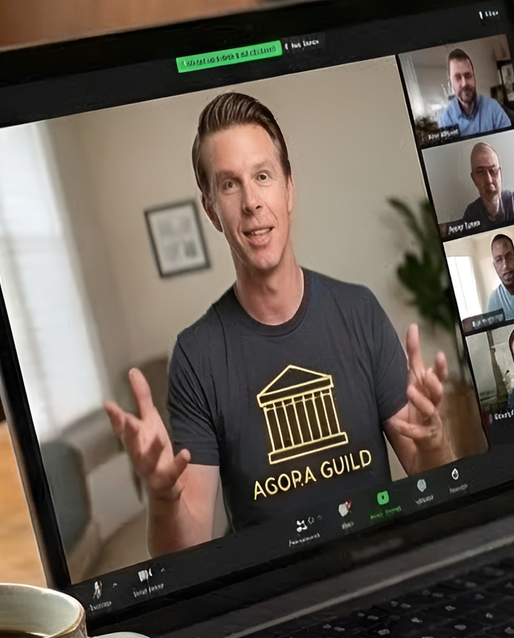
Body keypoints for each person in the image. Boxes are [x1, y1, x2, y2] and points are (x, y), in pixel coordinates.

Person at [105, 89, 451, 550]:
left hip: (381, 566)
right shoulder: (197, 356)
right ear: (211, 211)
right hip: (272, 597)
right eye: (229, 184)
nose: (251, 202)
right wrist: (163, 499)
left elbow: (437, 485)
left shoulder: (359, 312)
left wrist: (433, 442)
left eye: (263, 176)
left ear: (289, 189)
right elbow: (186, 553)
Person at [446, 140, 514, 232]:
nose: (489, 180)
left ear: (500, 173)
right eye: (480, 172)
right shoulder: (471, 213)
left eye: (493, 170)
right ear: (474, 179)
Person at [431, 47, 512, 136]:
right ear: (450, 82)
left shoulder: (494, 108)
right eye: (457, 77)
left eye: (468, 75)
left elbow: (510, 141)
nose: (464, 83)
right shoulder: (444, 118)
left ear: (474, 77)